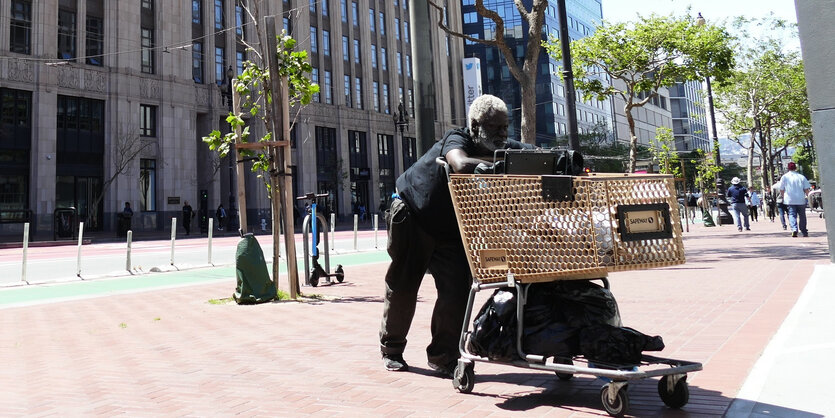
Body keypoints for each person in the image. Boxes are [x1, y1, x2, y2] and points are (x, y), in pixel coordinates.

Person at [379, 94, 533, 377]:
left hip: (450, 227)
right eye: (495, 128)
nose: (502, 134)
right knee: (404, 284)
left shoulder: (501, 145)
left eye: (505, 127)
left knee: (457, 289)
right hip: (415, 214)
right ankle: (392, 349)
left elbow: (531, 153)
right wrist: (494, 167)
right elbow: (459, 164)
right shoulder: (457, 139)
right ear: (475, 125)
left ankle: (443, 355)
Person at [779, 161, 811, 237]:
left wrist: (783, 196)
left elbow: (781, 189)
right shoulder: (801, 177)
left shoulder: (784, 177)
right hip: (800, 199)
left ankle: (794, 229)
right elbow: (806, 189)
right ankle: (803, 230)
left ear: (788, 168)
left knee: (792, 214)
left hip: (790, 199)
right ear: (795, 168)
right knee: (802, 215)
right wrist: (809, 198)